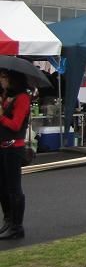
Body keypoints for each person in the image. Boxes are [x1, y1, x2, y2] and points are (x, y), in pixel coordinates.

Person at [0, 70, 31, 239]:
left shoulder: (22, 98)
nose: (1, 80)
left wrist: (1, 117)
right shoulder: (6, 96)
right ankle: (9, 219)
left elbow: (15, 124)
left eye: (4, 77)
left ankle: (17, 226)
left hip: (14, 147)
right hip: (3, 145)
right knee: (2, 187)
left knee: (13, 187)